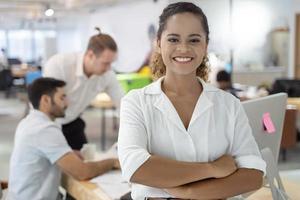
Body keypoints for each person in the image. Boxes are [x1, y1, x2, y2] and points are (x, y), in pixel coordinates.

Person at [118, 2, 266, 200]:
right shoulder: (136, 102)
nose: (184, 48)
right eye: (173, 39)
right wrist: (212, 168)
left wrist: (190, 192)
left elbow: (253, 175)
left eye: (194, 40)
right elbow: (136, 168)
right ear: (159, 43)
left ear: (205, 45)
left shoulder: (229, 104)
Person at [7, 78, 119, 200]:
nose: (67, 103)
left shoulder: (28, 122)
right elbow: (82, 172)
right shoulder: (45, 129)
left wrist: (67, 154)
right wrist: (112, 162)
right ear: (46, 100)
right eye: (62, 98)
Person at [43, 28, 124, 151]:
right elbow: (48, 107)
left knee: (84, 161)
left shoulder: (107, 74)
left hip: (73, 121)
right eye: (105, 63)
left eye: (111, 63)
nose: (108, 68)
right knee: (56, 167)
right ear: (90, 55)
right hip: (48, 123)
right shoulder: (60, 65)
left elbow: (123, 103)